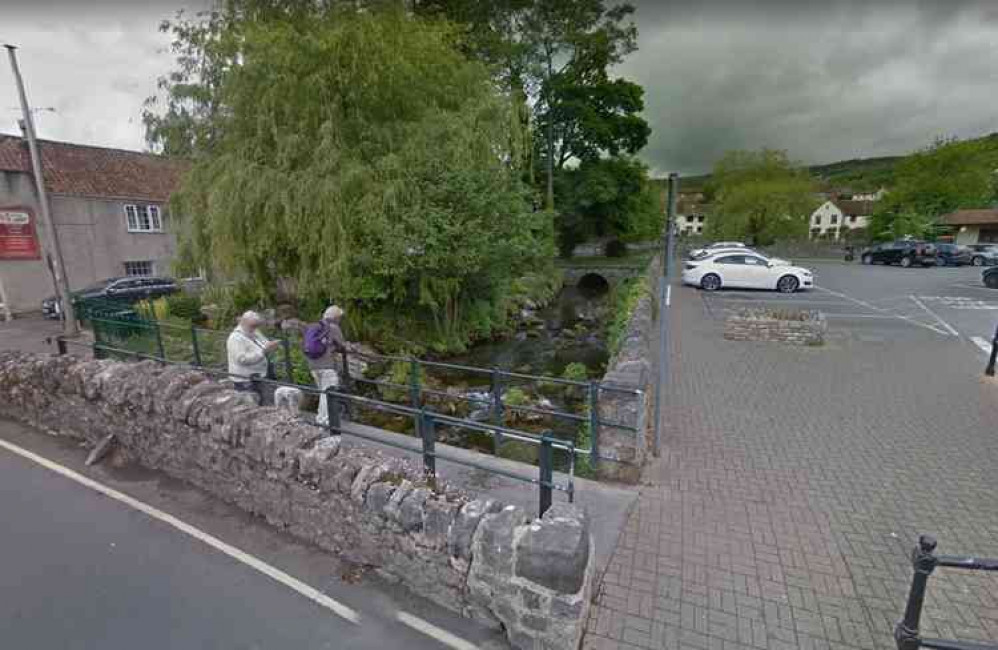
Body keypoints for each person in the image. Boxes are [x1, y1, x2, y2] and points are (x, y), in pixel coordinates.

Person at [305, 305, 349, 426]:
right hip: (327, 366)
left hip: (313, 366)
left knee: (322, 393)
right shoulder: (333, 327)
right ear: (336, 317)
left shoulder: (314, 326)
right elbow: (342, 345)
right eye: (340, 317)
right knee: (328, 394)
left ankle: (321, 418)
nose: (340, 319)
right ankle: (324, 421)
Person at [227, 311, 280, 404]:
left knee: (263, 400)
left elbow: (265, 343)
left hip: (260, 375)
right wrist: (263, 352)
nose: (255, 328)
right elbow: (242, 359)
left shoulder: (255, 332)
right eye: (252, 326)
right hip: (245, 379)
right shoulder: (235, 338)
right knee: (250, 404)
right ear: (243, 322)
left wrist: (272, 346)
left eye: (256, 325)